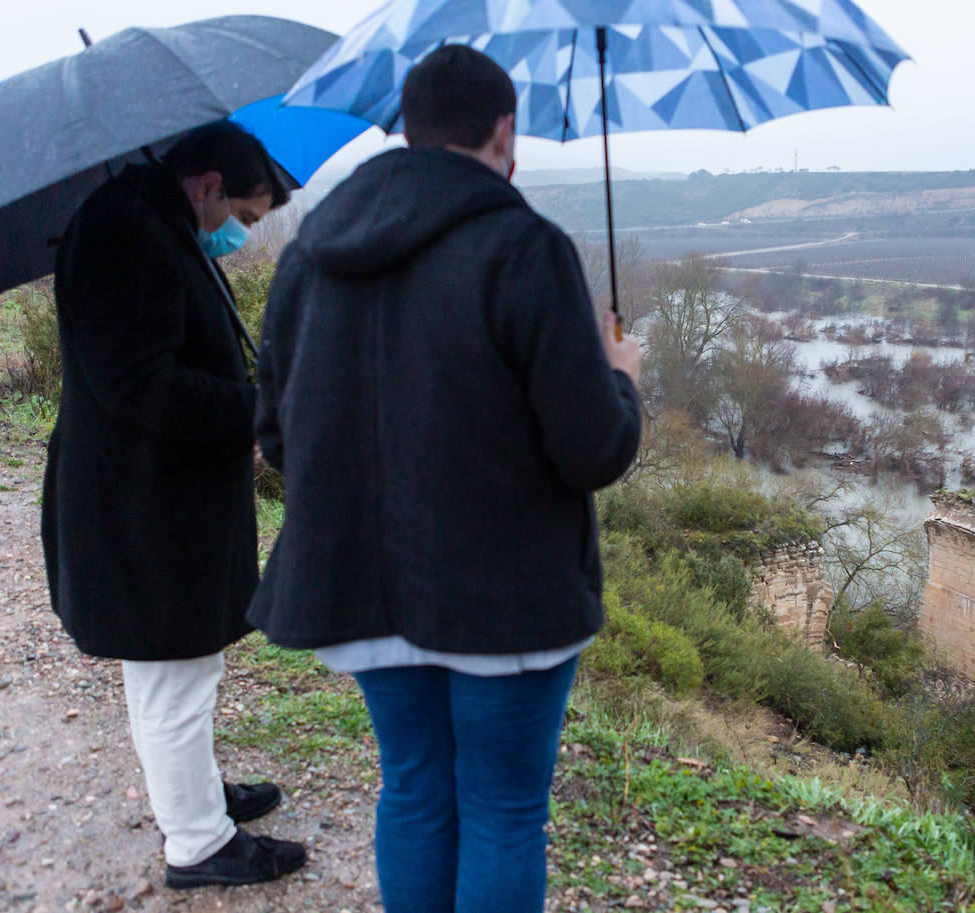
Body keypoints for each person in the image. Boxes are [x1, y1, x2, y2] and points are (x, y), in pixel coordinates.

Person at [249, 45, 644, 913]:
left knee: (417, 790)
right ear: (506, 132)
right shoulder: (524, 247)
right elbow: (593, 451)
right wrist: (621, 376)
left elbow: (276, 434)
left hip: (361, 591)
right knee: (503, 811)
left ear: (406, 128)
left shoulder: (312, 250)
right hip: (506, 603)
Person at [43, 121, 307, 888]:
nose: (239, 235)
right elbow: (142, 384)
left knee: (175, 668)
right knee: (173, 673)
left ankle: (193, 793)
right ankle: (198, 842)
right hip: (145, 507)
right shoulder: (129, 231)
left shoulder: (146, 219)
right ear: (209, 185)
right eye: (244, 217)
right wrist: (248, 410)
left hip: (156, 497)